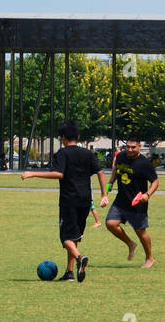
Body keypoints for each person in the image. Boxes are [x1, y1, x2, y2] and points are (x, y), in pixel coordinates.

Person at [21, 121, 107, 283]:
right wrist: (104, 194)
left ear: (63, 138)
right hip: (85, 201)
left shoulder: (62, 153)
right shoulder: (87, 154)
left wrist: (32, 174)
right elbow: (100, 172)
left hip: (69, 200)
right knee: (74, 237)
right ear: (78, 136)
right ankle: (69, 272)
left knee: (66, 237)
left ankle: (79, 258)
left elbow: (58, 174)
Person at [103, 136, 160, 268]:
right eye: (127, 146)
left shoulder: (144, 163)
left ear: (139, 147)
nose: (129, 149)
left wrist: (147, 194)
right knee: (110, 223)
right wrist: (111, 183)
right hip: (121, 200)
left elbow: (155, 182)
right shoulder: (121, 156)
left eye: (133, 147)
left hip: (137, 203)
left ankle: (149, 258)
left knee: (140, 232)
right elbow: (115, 169)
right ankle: (130, 244)